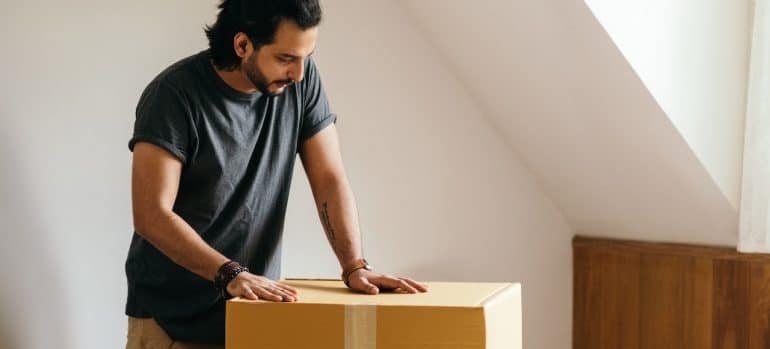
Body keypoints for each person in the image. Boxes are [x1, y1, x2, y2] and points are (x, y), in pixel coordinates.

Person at [124, 0, 428, 348]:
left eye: (306, 57)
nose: (298, 73)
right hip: (172, 318)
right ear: (242, 46)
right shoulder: (173, 96)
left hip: (253, 310)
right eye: (286, 58)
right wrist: (230, 273)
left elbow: (328, 178)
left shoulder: (301, 80)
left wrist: (354, 266)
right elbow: (151, 214)